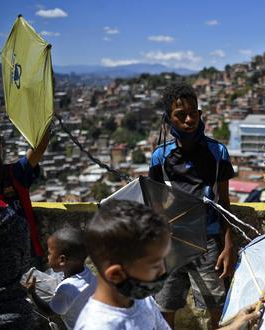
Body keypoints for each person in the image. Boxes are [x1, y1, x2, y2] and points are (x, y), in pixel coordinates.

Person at [149, 83, 235, 329]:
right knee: (164, 308)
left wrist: (228, 245)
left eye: (194, 113)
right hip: (170, 244)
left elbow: (224, 202)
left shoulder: (217, 152)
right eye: (181, 115)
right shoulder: (160, 157)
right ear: (169, 119)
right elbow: (154, 205)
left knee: (217, 308)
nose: (189, 120)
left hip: (206, 243)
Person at [74, 200, 172, 330]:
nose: (163, 270)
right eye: (155, 265)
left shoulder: (143, 300)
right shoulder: (96, 326)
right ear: (116, 275)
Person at [24, 228, 96, 329]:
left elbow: (49, 311)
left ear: (62, 260)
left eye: (49, 253)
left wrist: (33, 293)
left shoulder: (66, 288)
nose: (48, 257)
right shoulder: (89, 274)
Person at [0, 131, 49, 262]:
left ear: (1, 147)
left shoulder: (14, 173)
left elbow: (40, 146)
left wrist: (45, 120)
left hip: (27, 258)